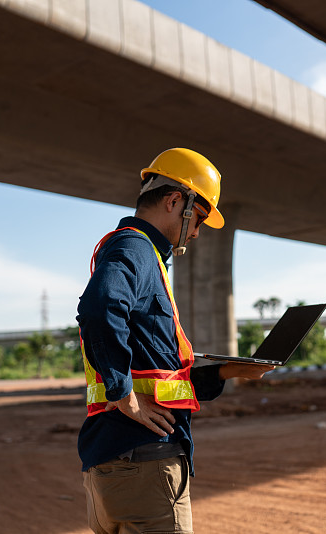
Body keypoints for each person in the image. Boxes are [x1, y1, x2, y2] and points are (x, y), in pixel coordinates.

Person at [76, 147, 274, 534]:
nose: (197, 232)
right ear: (174, 202)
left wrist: (228, 371)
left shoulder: (142, 255)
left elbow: (158, 374)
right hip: (143, 464)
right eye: (197, 218)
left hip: (119, 461)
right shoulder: (135, 248)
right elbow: (99, 309)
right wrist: (124, 394)